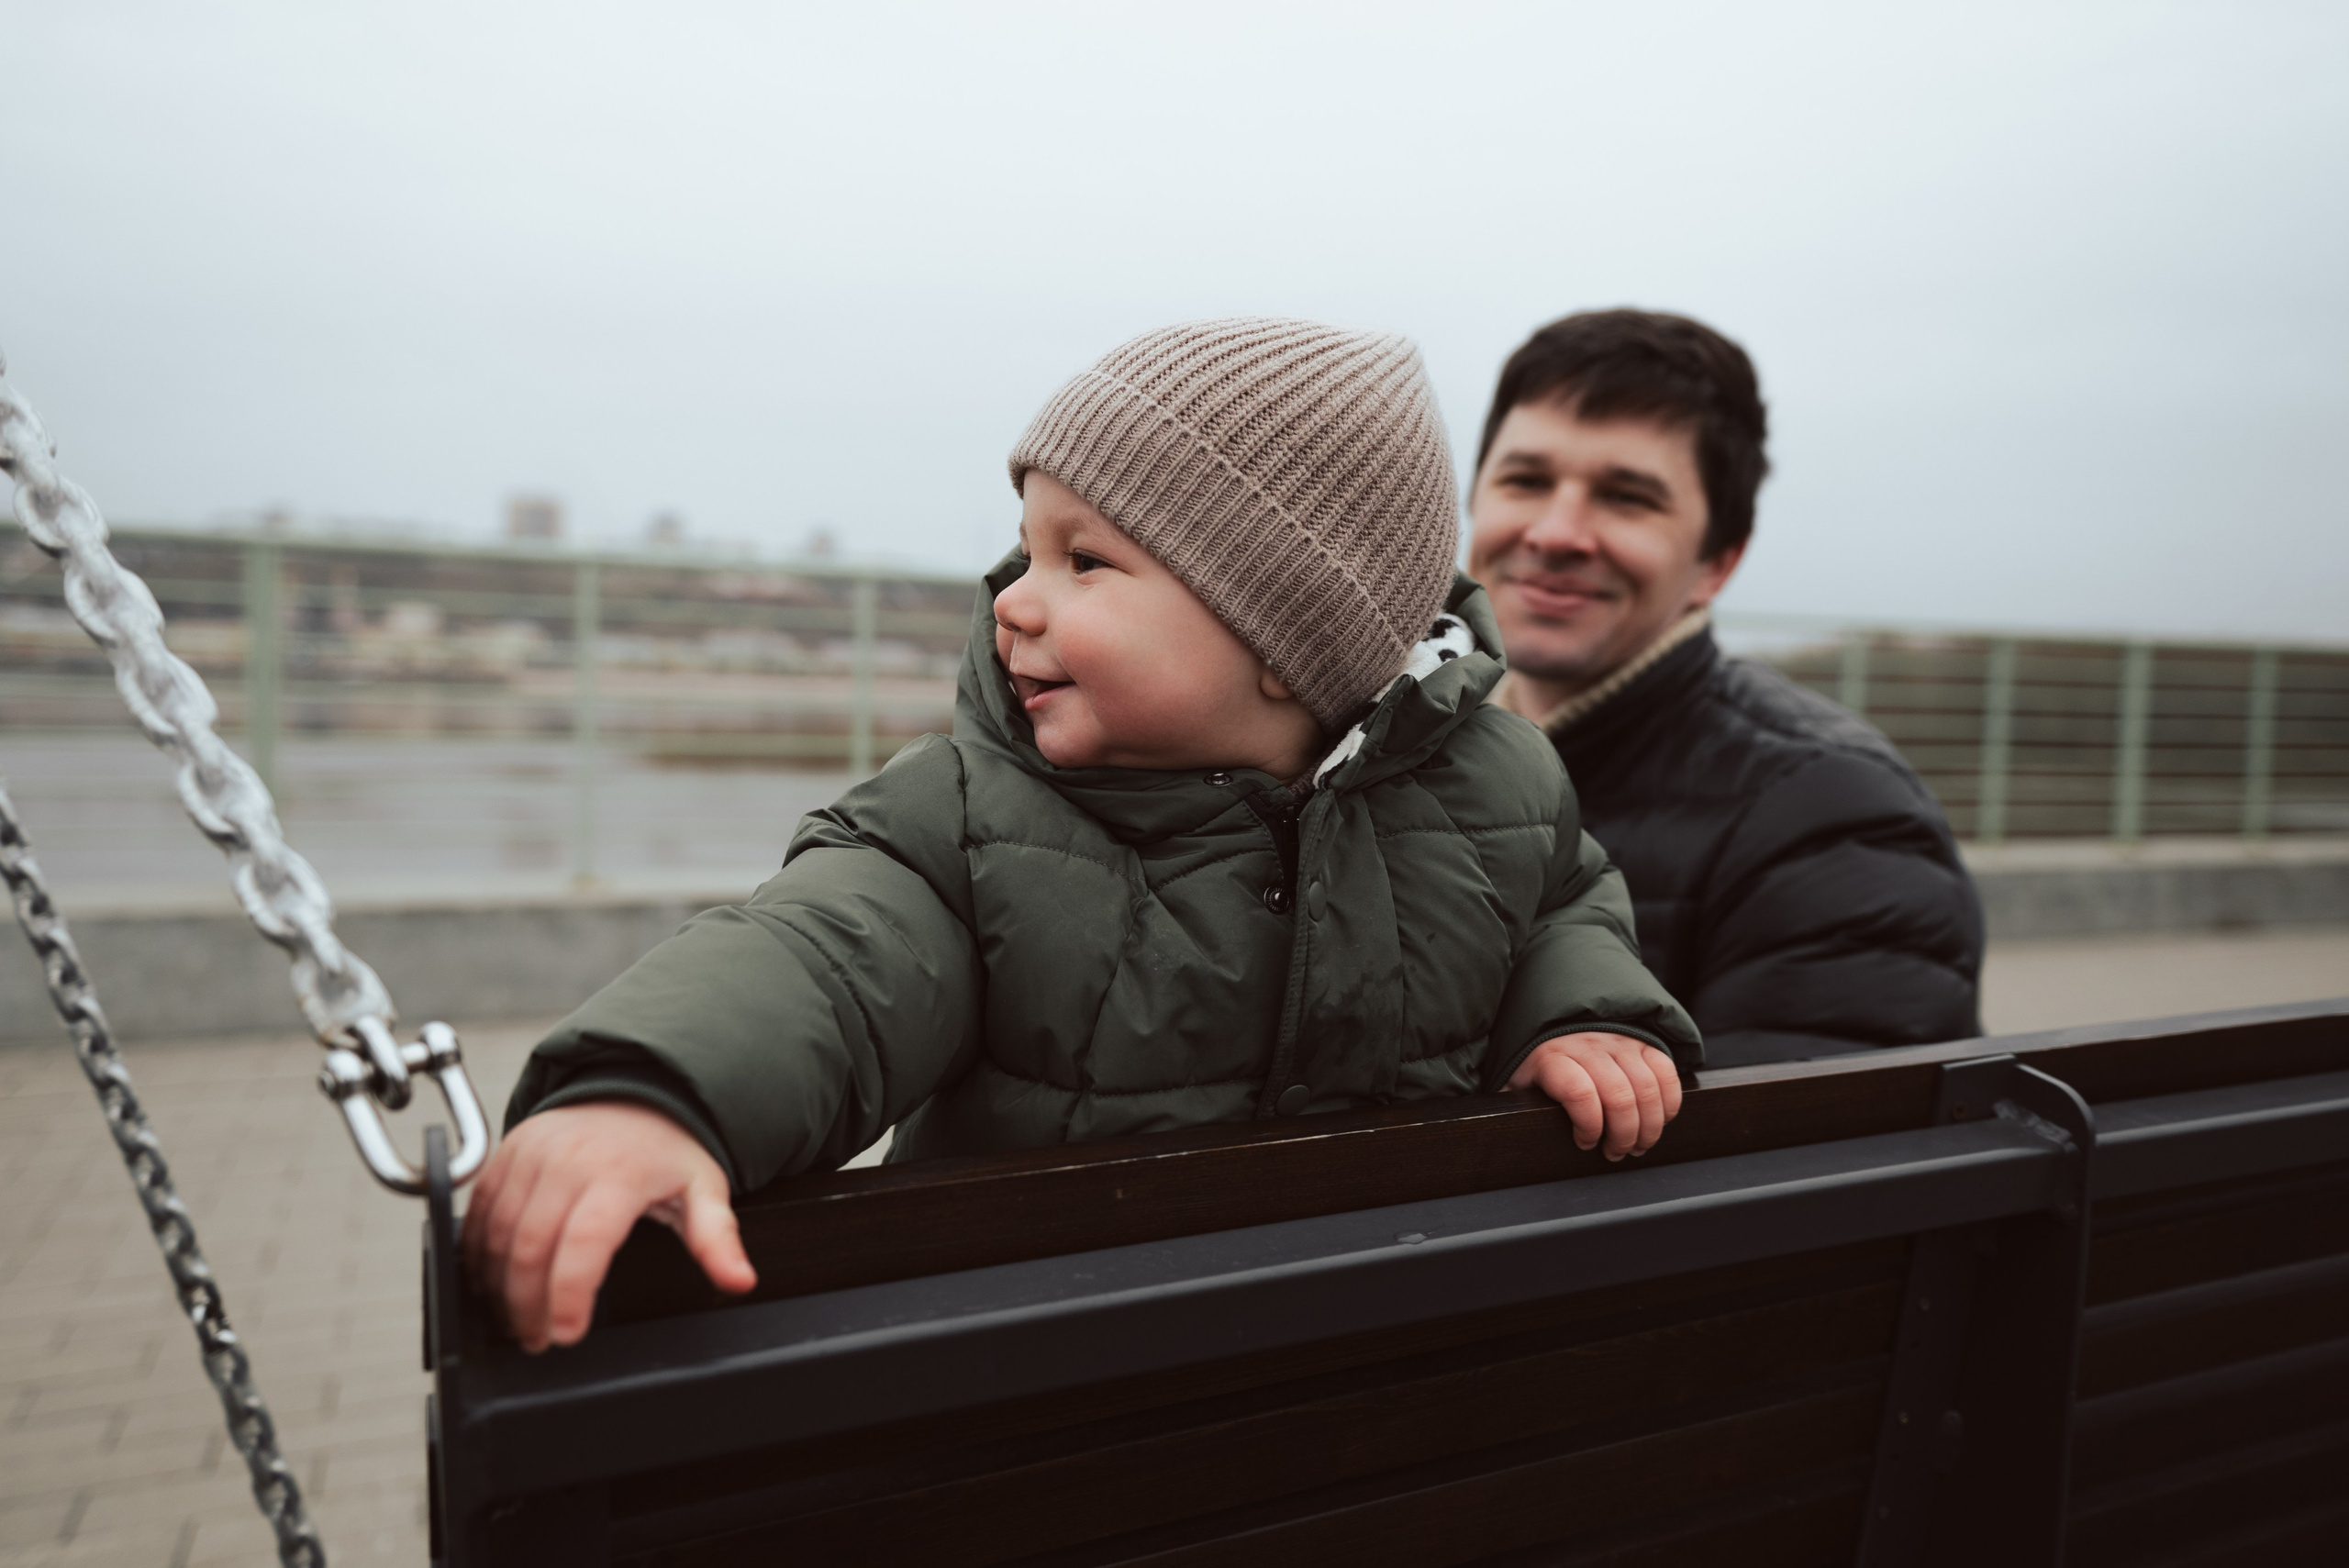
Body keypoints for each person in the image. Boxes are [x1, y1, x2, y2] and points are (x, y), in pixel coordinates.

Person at [468, 317, 1702, 1351]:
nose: (1013, 598)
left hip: (1361, 1368)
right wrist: (656, 1093)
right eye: (1027, 550)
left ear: (1287, 637)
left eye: (1084, 561)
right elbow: (827, 960)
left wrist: (1583, 1016)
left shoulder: (1494, 784)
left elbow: (1559, 900)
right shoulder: (968, 822)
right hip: (1040, 1371)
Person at [1469, 308, 1983, 1069]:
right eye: (1526, 480)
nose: (1555, 532)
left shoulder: (1836, 818)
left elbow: (1794, 1137)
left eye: (1627, 496)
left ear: (1718, 562)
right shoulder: (1384, 748)